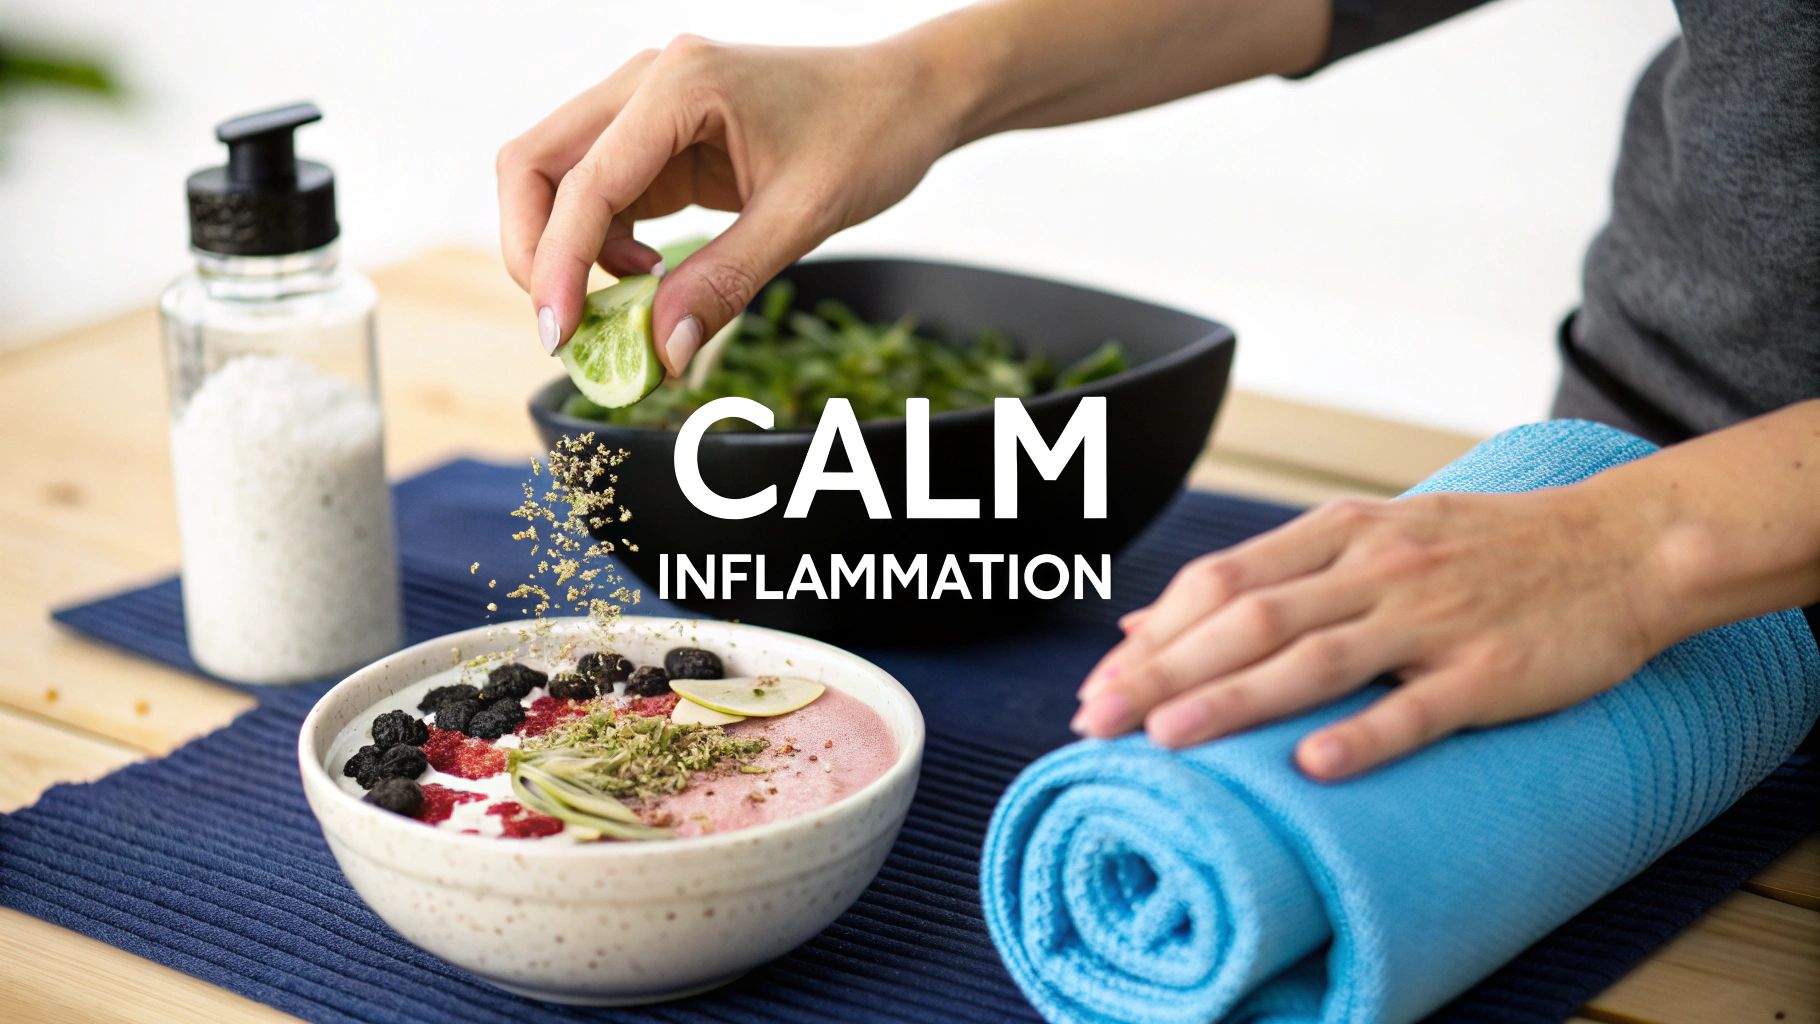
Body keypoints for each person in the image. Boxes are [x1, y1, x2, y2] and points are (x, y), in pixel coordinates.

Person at [496, 0, 1820, 781]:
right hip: (1601, 459)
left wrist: (1635, 547)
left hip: (1669, 546)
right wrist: (911, 81)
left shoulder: (1620, 545)